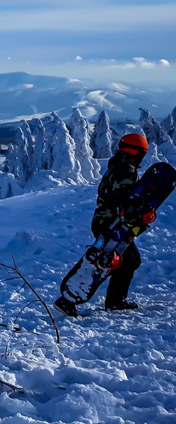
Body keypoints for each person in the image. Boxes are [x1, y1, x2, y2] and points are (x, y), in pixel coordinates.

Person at [55, 133, 151, 317]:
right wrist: (141, 212)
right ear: (138, 152)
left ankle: (112, 301)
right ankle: (73, 299)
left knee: (116, 261)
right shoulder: (126, 170)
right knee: (114, 261)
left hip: (106, 222)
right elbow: (125, 201)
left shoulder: (118, 166)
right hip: (112, 224)